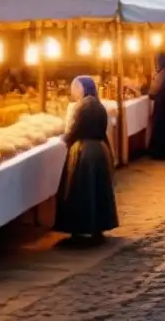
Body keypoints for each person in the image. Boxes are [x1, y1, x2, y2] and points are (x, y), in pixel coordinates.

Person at [54, 77, 118, 242]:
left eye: (76, 89)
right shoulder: (98, 105)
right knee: (97, 190)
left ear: (82, 88)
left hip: (84, 152)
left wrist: (63, 139)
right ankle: (97, 228)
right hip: (98, 151)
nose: (74, 93)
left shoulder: (82, 106)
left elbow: (76, 129)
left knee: (81, 189)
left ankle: (80, 227)